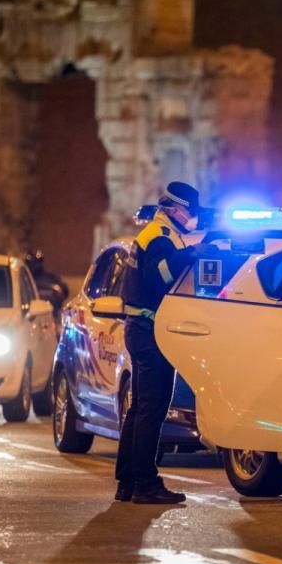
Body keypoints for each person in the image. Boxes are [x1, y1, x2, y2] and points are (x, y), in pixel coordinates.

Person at [115, 181, 206, 505]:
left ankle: (127, 481)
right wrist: (193, 253)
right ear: (174, 209)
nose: (192, 218)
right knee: (151, 410)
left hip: (140, 327)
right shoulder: (160, 237)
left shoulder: (157, 234)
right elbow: (162, 277)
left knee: (140, 409)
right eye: (189, 212)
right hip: (150, 328)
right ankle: (145, 483)